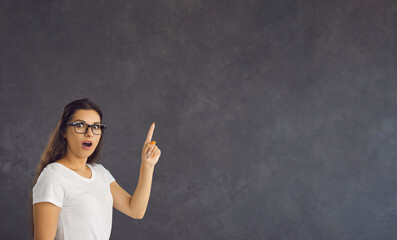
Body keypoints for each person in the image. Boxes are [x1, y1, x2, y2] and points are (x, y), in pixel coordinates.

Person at [28, 98, 161, 240]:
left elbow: (135, 210)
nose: (89, 133)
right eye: (80, 125)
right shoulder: (53, 177)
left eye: (96, 127)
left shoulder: (100, 173)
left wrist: (147, 165)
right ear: (64, 132)